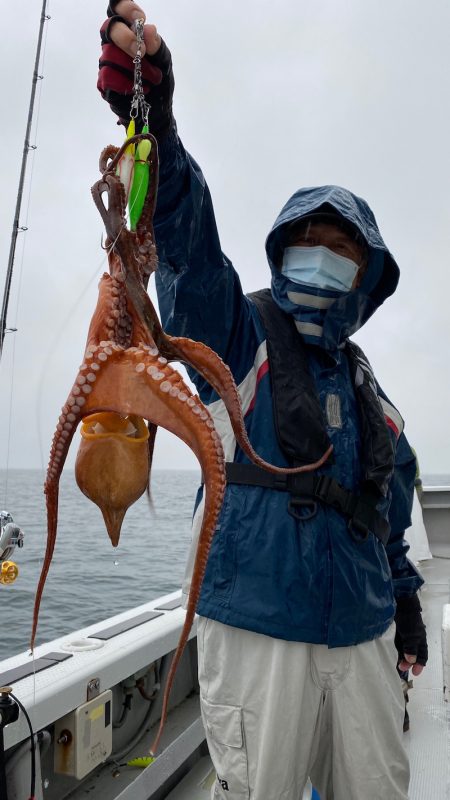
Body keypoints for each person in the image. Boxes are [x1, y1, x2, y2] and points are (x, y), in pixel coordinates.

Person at [97, 4, 428, 798]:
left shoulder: (371, 396)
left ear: (368, 278)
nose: (327, 257)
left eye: (345, 249)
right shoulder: (234, 334)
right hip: (253, 626)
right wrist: (157, 122)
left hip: (363, 634)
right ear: (284, 253)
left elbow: (390, 512)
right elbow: (187, 243)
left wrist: (407, 609)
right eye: (311, 241)